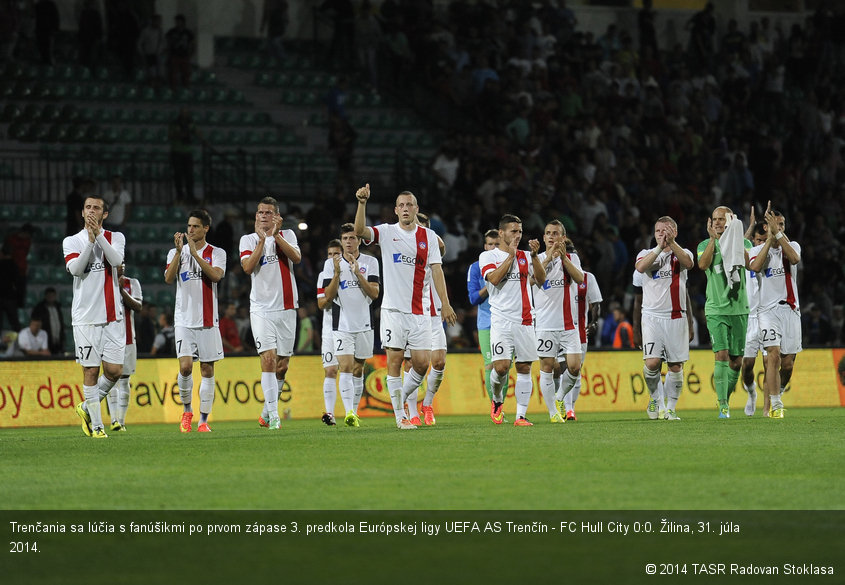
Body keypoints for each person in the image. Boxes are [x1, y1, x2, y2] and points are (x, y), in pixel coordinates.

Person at [354, 183, 457, 430]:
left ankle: (397, 401)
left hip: (420, 311)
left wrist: (445, 304)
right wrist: (362, 203)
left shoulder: (429, 237)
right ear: (396, 210)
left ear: (416, 208)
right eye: (401, 205)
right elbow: (359, 231)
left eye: (409, 204)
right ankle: (401, 415)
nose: (405, 208)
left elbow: (437, 270)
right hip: (393, 311)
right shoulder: (387, 232)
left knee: (422, 364)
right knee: (395, 362)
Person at [63, 196, 126, 438]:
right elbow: (76, 270)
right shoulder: (72, 241)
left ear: (105, 214)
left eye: (97, 208)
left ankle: (86, 406)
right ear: (82, 212)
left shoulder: (116, 238)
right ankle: (98, 426)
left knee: (114, 371)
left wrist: (98, 235)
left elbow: (117, 261)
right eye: (88, 207)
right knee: (90, 371)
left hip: (112, 316)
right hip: (86, 318)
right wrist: (89, 242)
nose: (91, 210)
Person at [239, 197, 301, 431]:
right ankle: (275, 416)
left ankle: (266, 412)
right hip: (261, 309)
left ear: (276, 216)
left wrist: (274, 236)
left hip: (286, 307)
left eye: (268, 212)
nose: (263, 216)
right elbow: (247, 268)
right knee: (268, 359)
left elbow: (296, 258)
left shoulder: (288, 236)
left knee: (282, 365)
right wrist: (263, 240)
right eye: (260, 212)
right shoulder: (248, 239)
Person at [164, 209, 226, 433]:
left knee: (208, 370)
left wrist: (195, 255)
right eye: (189, 226)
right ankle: (187, 411)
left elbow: (217, 276)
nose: (190, 230)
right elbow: (168, 279)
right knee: (186, 366)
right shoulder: (175, 252)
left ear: (206, 229)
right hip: (183, 320)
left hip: (208, 320)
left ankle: (203, 421)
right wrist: (181, 253)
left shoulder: (217, 253)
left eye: (195, 226)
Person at [480, 214, 545, 426]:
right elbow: (495, 279)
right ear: (501, 233)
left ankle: (521, 416)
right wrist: (512, 255)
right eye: (513, 231)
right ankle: (497, 401)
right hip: (500, 320)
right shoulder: (488, 257)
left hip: (525, 320)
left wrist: (535, 256)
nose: (518, 235)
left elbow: (541, 280)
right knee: (501, 368)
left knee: (525, 368)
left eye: (520, 231)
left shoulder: (527, 256)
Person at [635, 216, 694, 421]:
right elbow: (641, 268)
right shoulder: (645, 254)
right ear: (654, 233)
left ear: (675, 232)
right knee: (652, 363)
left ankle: (670, 408)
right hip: (652, 316)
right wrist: (659, 248)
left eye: (667, 230)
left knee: (676, 366)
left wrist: (672, 244)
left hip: (676, 317)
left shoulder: (683, 253)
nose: (663, 234)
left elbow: (689, 263)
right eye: (659, 231)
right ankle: (655, 398)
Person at [320, 223, 379, 427]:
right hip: (341, 324)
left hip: (364, 323)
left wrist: (357, 273)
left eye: (352, 238)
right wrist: (337, 273)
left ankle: (353, 410)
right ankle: (350, 412)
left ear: (359, 240)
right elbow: (327, 297)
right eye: (345, 238)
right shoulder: (331, 265)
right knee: (345, 366)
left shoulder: (371, 262)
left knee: (358, 369)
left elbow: (374, 293)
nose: (348, 242)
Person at [747, 203, 802, 419]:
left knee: (787, 365)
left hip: (791, 310)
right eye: (774, 224)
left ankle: (778, 390)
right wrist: (770, 239)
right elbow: (755, 267)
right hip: (767, 312)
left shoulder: (793, 246)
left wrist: (778, 235)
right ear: (766, 227)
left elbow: (795, 259)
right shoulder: (757, 250)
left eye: (782, 224)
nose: (779, 227)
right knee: (773, 355)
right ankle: (775, 404)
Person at [697, 206, 752, 418]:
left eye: (722, 219)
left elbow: (749, 264)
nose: (718, 222)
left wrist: (737, 237)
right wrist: (713, 240)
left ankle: (725, 399)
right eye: (715, 219)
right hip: (716, 309)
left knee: (736, 361)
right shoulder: (704, 244)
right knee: (721, 354)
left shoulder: (744, 242)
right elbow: (702, 265)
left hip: (739, 308)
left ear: (731, 220)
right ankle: (723, 406)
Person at [533, 220, 583, 424]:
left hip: (569, 324)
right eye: (548, 233)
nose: (552, 236)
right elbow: (533, 280)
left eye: (556, 233)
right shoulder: (536, 259)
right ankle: (553, 412)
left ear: (563, 238)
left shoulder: (572, 258)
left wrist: (563, 259)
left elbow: (580, 279)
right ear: (544, 237)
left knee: (574, 367)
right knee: (546, 367)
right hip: (545, 324)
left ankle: (560, 397)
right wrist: (545, 259)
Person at [403, 213, 445, 426]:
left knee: (438, 361)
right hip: (412, 314)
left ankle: (427, 404)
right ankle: (412, 411)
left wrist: (425, 231)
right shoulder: (406, 251)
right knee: (411, 364)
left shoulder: (432, 245)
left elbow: (442, 247)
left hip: (435, 315)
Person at [467, 229, 509, 405]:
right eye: (490, 244)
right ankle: (496, 407)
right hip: (486, 321)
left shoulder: (509, 263)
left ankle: (501, 405)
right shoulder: (476, 268)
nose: (493, 248)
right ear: (485, 246)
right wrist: (491, 281)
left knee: (504, 368)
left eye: (497, 245)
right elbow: (473, 298)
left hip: (507, 320)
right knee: (490, 364)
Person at [566, 251, 603, 420]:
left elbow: (595, 303)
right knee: (560, 369)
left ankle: (570, 408)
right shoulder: (553, 275)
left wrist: (594, 322)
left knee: (575, 370)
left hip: (580, 331)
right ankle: (565, 407)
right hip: (557, 328)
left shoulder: (588, 278)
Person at [106, 263, 142, 431]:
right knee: (111, 378)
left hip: (128, 338)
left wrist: (121, 291)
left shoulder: (132, 283)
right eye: (117, 263)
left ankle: (121, 421)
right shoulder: (104, 282)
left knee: (125, 379)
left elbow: (138, 306)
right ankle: (113, 419)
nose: (121, 266)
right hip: (108, 338)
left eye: (123, 262)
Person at [741, 221, 767, 416]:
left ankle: (769, 407)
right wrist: (748, 229)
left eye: (764, 240)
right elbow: (736, 247)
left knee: (770, 363)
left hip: (766, 314)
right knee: (747, 365)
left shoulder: (772, 255)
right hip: (748, 318)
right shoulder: (747, 256)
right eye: (758, 240)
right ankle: (751, 394)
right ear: (752, 240)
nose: (761, 244)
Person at [316, 239, 343, 425]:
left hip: (350, 327)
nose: (332, 258)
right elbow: (321, 303)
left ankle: (352, 412)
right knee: (331, 369)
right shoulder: (322, 275)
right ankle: (330, 414)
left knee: (354, 369)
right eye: (330, 254)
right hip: (329, 328)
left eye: (336, 254)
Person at [169, 109, 200, 203]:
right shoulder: (175, 124)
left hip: (187, 152)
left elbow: (198, 133)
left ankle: (190, 195)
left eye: (186, 113)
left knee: (189, 175)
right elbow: (171, 135)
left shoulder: (191, 123)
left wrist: (191, 131)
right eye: (183, 112)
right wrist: (181, 134)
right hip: (177, 152)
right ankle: (180, 196)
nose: (185, 114)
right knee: (178, 175)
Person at [31, 286, 65, 355]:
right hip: (45, 341)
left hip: (57, 340)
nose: (51, 298)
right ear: (46, 296)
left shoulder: (58, 307)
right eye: (49, 296)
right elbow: (35, 324)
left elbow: (60, 323)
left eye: (53, 296)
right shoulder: (39, 308)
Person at [165, 14, 194, 88]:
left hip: (185, 56)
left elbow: (191, 44)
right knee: (173, 74)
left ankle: (185, 89)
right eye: (176, 21)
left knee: (185, 74)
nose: (177, 23)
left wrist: (190, 54)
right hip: (174, 55)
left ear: (183, 22)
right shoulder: (171, 31)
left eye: (179, 21)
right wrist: (168, 54)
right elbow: (168, 43)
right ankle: (173, 89)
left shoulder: (188, 32)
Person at [137, 14, 165, 86]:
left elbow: (163, 42)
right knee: (151, 74)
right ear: (152, 21)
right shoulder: (146, 31)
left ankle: (159, 87)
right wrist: (142, 53)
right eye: (156, 21)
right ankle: (151, 86)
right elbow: (139, 43)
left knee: (160, 74)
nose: (158, 23)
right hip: (149, 55)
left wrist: (161, 51)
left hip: (158, 55)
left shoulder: (160, 31)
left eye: (159, 22)